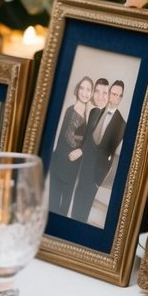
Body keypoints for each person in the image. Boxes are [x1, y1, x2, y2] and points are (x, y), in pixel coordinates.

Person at [70, 80, 126, 224]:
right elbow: (86, 139)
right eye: (113, 94)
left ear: (121, 98)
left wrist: (100, 178)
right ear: (109, 94)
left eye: (119, 96)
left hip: (97, 171)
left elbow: (111, 152)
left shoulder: (122, 124)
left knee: (86, 206)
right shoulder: (95, 111)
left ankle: (79, 228)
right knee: (77, 199)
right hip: (84, 165)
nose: (115, 98)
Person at [49, 76, 93, 216]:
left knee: (65, 207)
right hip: (59, 162)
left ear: (91, 93)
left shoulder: (90, 116)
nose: (85, 92)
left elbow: (88, 143)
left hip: (74, 168)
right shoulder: (69, 110)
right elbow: (63, 138)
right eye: (82, 88)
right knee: (53, 204)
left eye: (88, 89)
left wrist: (80, 151)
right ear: (77, 90)